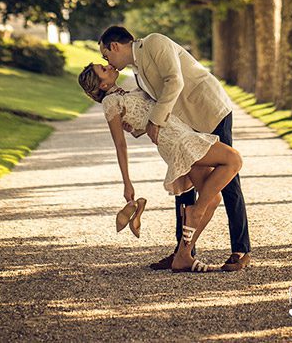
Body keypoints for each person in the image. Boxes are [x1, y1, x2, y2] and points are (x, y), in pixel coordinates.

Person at [98, 25, 251, 272]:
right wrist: (137, 126)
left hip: (208, 110)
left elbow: (174, 81)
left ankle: (240, 250)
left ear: (114, 46)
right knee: (184, 186)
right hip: (185, 125)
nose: (109, 62)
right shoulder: (137, 72)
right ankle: (183, 251)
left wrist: (155, 121)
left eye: (106, 56)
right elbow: (151, 104)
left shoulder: (155, 43)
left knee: (228, 180)